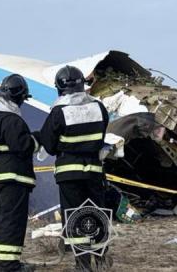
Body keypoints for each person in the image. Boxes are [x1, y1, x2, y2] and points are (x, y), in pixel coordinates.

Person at [37, 66, 110, 271]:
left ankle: (83, 264)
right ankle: (101, 258)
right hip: (94, 171)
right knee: (96, 214)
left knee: (75, 217)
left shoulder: (59, 112)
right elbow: (101, 137)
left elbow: (49, 146)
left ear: (59, 88)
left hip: (69, 173)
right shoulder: (99, 108)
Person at [0, 74, 38, 272]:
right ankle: (9, 266)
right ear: (19, 97)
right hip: (14, 178)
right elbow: (24, 146)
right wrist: (36, 139)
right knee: (13, 221)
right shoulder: (12, 120)